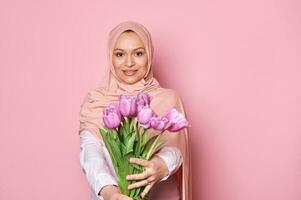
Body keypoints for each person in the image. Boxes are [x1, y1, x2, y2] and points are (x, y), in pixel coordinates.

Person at [78, 21, 192, 200]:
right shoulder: (96, 101)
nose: (129, 63)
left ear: (149, 55)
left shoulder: (167, 98)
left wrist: (161, 164)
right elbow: (90, 153)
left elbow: (177, 150)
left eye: (138, 53)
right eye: (120, 54)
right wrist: (110, 192)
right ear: (110, 57)